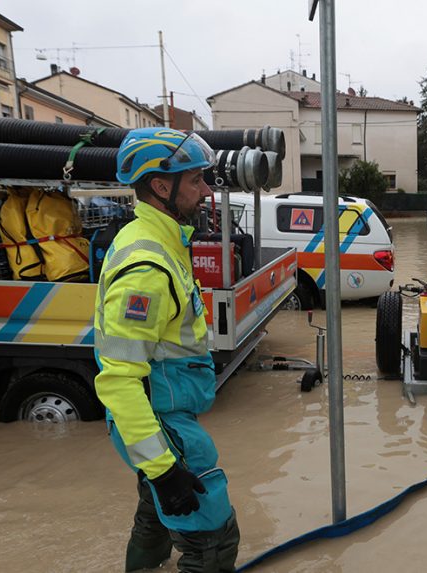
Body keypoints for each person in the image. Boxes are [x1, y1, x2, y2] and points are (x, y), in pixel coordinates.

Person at [94, 127, 239, 572]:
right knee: (212, 542)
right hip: (162, 422)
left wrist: (155, 470)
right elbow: (119, 379)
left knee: (156, 518)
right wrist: (163, 467)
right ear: (161, 186)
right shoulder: (147, 267)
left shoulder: (158, 240)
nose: (205, 190)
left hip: (163, 417)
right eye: (195, 180)